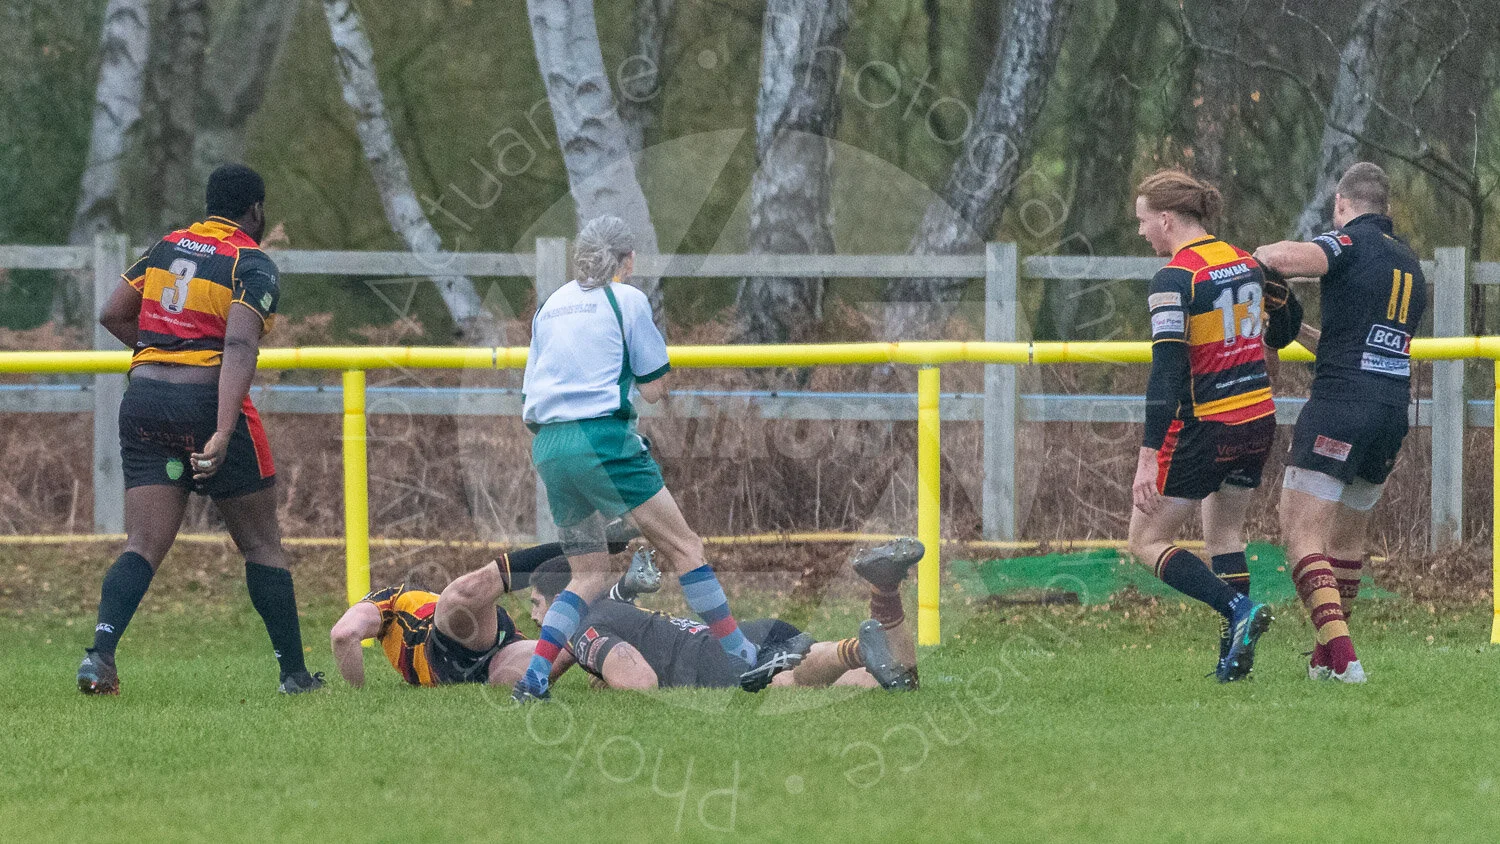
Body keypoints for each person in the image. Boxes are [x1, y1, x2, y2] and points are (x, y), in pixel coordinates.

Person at [513, 215, 801, 700]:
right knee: (686, 548)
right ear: (629, 260)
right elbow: (653, 390)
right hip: (602, 441)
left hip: (548, 446)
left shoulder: (550, 306)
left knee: (587, 573)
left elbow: (531, 393)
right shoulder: (627, 299)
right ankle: (744, 658)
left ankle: (534, 677)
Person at [78, 165, 322, 695]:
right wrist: (221, 427)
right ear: (255, 210)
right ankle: (295, 675)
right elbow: (238, 346)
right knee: (260, 544)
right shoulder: (250, 261)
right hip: (205, 403)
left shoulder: (165, 248)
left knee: (142, 542)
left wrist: (161, 354)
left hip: (144, 401)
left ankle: (99, 655)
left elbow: (112, 313)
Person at [1253, 162, 1425, 684]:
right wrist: (1294, 328)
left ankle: (1346, 658)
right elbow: (1346, 342)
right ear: (1388, 209)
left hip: (1340, 406)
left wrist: (1256, 260)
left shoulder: (1347, 244)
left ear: (1341, 205)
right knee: (1347, 541)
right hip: (1392, 410)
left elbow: (1284, 257)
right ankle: (1324, 659)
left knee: (1300, 532)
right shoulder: (1411, 265)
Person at [1127, 169, 1294, 683]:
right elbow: (1286, 326)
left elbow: (1168, 371)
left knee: (1145, 541)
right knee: (1224, 532)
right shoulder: (1247, 262)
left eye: (1142, 222)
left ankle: (1237, 610)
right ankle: (1233, 661)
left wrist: (1148, 454)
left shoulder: (1175, 279)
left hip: (1207, 426)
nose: (1140, 233)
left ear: (1167, 218)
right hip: (1259, 419)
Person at [528, 540, 923, 692]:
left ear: (562, 600)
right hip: (739, 636)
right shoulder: (606, 607)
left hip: (719, 661)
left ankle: (854, 649)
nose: (533, 617)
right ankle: (884, 590)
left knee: (788, 684)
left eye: (536, 604)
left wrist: (612, 686)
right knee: (897, 680)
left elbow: (639, 682)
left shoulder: (584, 627)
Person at [328, 535, 639, 688]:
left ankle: (584, 545)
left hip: (462, 647)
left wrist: (358, 692)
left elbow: (343, 634)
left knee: (464, 594)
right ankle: (619, 597)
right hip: (483, 657)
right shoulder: (392, 604)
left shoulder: (394, 602)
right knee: (568, 646)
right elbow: (344, 634)